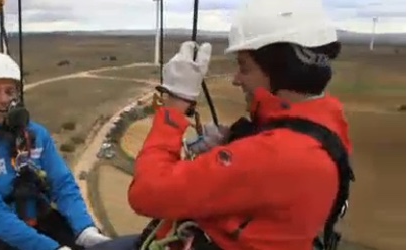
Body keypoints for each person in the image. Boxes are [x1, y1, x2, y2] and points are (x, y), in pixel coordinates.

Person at [89, 0, 355, 249]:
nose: (236, 80)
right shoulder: (323, 128)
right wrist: (233, 147)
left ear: (283, 70)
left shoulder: (280, 153)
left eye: (244, 67)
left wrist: (174, 107)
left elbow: (146, 193)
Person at [0, 52, 111, 250]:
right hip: (2, 237)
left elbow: (62, 184)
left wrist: (85, 229)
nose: (3, 99)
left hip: (43, 222)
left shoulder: (36, 135)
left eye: (9, 92)